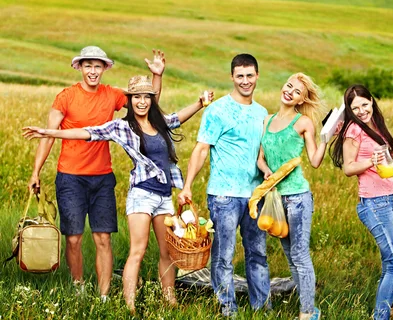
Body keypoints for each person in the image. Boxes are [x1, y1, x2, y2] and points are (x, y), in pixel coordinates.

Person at [23, 75, 213, 313]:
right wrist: (48, 132)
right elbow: (85, 132)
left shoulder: (160, 122)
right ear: (130, 100)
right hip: (142, 195)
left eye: (146, 97)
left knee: (167, 252)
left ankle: (170, 299)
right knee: (138, 250)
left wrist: (199, 103)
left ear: (152, 100)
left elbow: (178, 118)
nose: (142, 102)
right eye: (136, 97)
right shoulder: (122, 126)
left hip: (164, 196)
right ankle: (130, 305)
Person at [26, 46, 165, 299]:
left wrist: (157, 76)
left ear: (104, 69)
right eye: (88, 65)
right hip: (70, 177)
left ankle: (103, 296)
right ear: (79, 67)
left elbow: (147, 101)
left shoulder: (112, 95)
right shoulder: (65, 97)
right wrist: (36, 172)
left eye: (97, 66)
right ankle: (78, 287)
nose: (93, 71)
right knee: (74, 239)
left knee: (103, 239)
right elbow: (48, 137)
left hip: (102, 178)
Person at [178, 53, 270, 317]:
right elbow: (201, 150)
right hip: (224, 196)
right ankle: (227, 308)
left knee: (258, 253)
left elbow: (263, 154)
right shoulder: (217, 110)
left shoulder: (262, 113)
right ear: (232, 77)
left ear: (257, 76)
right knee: (224, 256)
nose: (245, 81)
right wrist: (187, 186)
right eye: (239, 76)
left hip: (255, 196)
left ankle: (262, 308)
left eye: (249, 75)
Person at [329, 84, 393, 320]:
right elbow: (349, 167)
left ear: (371, 101)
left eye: (364, 104)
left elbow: (382, 156)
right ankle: (380, 317)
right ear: (350, 110)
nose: (362, 110)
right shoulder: (353, 129)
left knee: (389, 263)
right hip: (374, 203)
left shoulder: (375, 125)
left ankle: (385, 312)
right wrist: (371, 162)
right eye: (355, 108)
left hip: (389, 200)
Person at [257, 73, 328, 320]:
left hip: (298, 197)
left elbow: (315, 161)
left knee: (300, 254)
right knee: (290, 256)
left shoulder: (303, 123)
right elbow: (260, 158)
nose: (290, 92)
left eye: (297, 91)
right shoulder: (266, 120)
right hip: (275, 199)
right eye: (289, 86)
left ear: (301, 100)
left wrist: (326, 138)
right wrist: (267, 172)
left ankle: (307, 313)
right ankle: (308, 304)